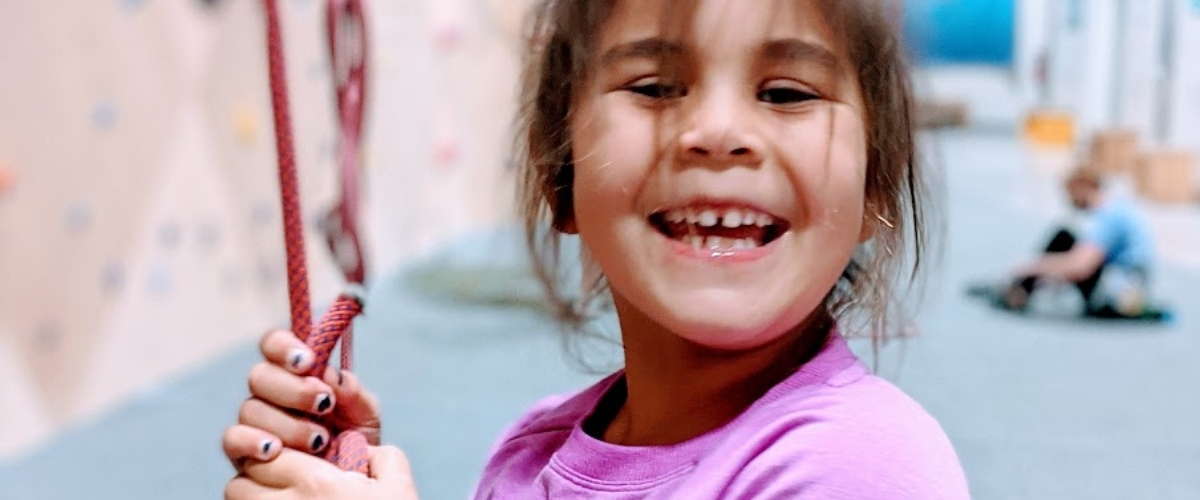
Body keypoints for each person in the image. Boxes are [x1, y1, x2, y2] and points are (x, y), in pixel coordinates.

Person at [221, 0, 972, 498]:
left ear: (875, 187)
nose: (715, 132)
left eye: (785, 94)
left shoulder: (862, 467)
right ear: (561, 173)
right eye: (652, 86)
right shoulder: (530, 453)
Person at [1000, 165, 1159, 319]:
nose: (1069, 199)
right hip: (1128, 281)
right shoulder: (1117, 207)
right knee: (1067, 240)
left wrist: (1031, 267)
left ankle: (1020, 290)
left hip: (1120, 291)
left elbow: (1080, 267)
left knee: (1063, 238)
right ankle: (1020, 289)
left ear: (1083, 186)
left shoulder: (1107, 216)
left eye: (1070, 192)